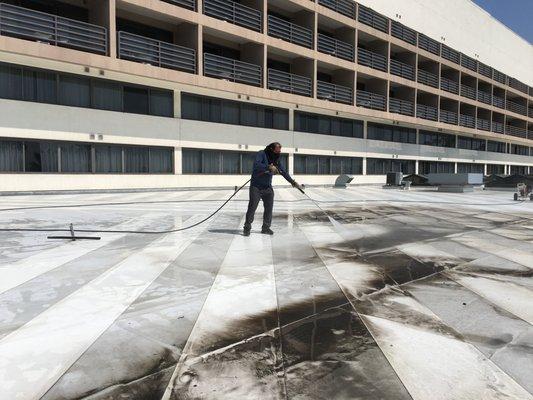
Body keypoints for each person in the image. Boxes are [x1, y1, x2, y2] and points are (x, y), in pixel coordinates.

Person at [244, 142, 301, 236]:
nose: (278, 153)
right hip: (256, 187)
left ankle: (266, 228)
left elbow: (283, 172)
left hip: (267, 188)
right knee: (252, 207)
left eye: (279, 151)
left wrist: (292, 182)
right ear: (271, 149)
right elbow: (256, 165)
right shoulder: (261, 154)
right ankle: (247, 227)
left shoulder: (276, 160)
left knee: (269, 208)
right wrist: (268, 167)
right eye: (276, 151)